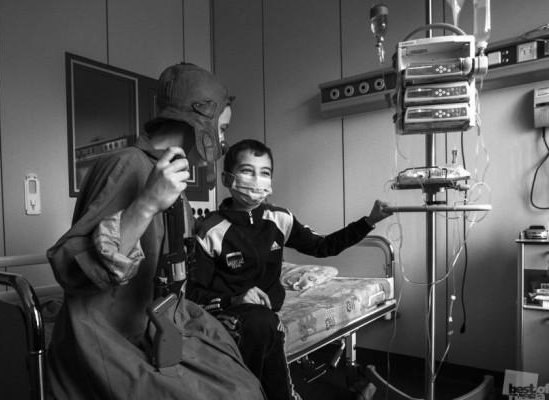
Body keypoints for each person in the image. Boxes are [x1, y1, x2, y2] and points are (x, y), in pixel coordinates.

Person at [46, 64, 265, 400]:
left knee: (240, 376)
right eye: (222, 129)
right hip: (110, 334)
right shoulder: (128, 164)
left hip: (160, 320)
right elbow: (69, 268)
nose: (223, 141)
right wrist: (146, 204)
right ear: (199, 120)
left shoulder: (168, 177)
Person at [187, 139, 393, 400]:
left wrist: (369, 221)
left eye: (265, 173)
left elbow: (324, 246)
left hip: (265, 316)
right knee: (263, 326)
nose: (257, 180)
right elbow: (193, 294)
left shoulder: (279, 219)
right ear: (227, 178)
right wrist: (234, 299)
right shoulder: (210, 230)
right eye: (247, 171)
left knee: (265, 324)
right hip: (229, 312)